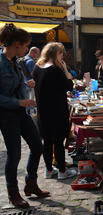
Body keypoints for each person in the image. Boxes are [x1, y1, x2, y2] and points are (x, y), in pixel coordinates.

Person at [0, 23, 49, 208]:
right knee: (14, 155)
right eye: (26, 45)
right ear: (16, 45)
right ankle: (13, 194)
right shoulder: (1, 62)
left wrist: (26, 85)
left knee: (37, 146)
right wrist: (19, 102)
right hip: (6, 114)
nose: (28, 49)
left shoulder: (17, 62)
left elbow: (16, 85)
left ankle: (31, 183)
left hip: (21, 112)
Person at [32, 42, 77, 180]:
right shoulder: (55, 69)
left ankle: (49, 170)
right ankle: (62, 171)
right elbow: (69, 86)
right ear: (55, 54)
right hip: (57, 111)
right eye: (61, 53)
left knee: (47, 142)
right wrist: (65, 70)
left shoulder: (38, 67)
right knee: (58, 142)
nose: (63, 55)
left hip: (43, 111)